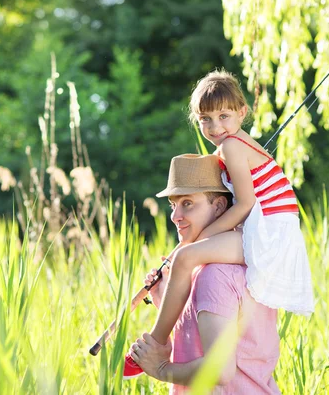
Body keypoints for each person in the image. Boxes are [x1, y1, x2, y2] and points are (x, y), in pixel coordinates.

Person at [124, 69, 314, 378]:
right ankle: (161, 327)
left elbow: (246, 203)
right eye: (206, 120)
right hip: (263, 227)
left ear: (242, 112)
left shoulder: (232, 147)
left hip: (269, 232)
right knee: (187, 258)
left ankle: (158, 342)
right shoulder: (233, 145)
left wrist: (199, 240)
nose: (215, 127)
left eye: (224, 116)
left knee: (186, 255)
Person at [129, 154, 282, 393]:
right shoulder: (208, 267)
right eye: (173, 205)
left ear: (219, 206)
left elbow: (218, 369)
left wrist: (161, 369)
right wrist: (165, 301)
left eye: (187, 203)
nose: (175, 215)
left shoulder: (216, 274)